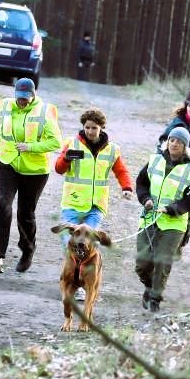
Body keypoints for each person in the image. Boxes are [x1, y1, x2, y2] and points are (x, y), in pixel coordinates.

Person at [54, 108, 133, 300]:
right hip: (72, 203)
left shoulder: (112, 150)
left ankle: (81, 284)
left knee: (86, 244)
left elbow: (121, 171)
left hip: (96, 206)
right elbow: (58, 169)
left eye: (94, 128)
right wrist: (65, 158)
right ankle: (70, 278)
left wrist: (127, 188)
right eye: (87, 127)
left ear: (101, 128)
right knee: (70, 243)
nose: (90, 131)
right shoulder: (72, 144)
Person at [0, 78, 63, 274]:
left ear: (33, 95)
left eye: (25, 99)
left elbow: (56, 142)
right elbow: (5, 132)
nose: (21, 101)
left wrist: (31, 147)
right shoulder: (6, 105)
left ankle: (27, 251)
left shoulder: (44, 112)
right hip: (7, 163)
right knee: (3, 205)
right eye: (19, 98)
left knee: (25, 213)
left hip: (35, 171)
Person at [135, 126, 190, 313]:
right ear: (167, 142)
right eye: (172, 140)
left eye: (179, 142)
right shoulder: (154, 161)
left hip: (174, 223)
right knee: (142, 264)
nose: (174, 144)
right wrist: (146, 199)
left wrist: (172, 209)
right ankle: (149, 287)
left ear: (185, 146)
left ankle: (155, 298)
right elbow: (141, 183)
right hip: (149, 219)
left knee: (162, 262)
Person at [157, 87, 190, 249]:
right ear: (186, 106)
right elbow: (163, 142)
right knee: (171, 200)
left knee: (189, 204)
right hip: (174, 169)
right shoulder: (177, 122)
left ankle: (180, 241)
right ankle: (163, 236)